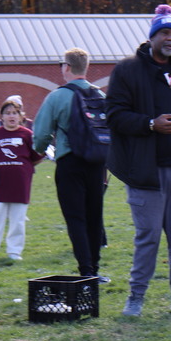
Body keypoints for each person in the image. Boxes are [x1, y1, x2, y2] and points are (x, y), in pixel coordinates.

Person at [105, 4, 171, 318]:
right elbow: (114, 116)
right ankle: (135, 299)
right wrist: (150, 124)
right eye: (164, 32)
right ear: (152, 36)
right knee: (148, 237)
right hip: (145, 172)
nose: (170, 38)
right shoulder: (127, 70)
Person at [33, 47, 109, 283]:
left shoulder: (57, 96)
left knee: (76, 217)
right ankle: (95, 269)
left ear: (66, 67)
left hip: (69, 162)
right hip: (98, 163)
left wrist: (42, 148)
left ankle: (85, 271)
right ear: (86, 68)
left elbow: (41, 136)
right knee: (95, 216)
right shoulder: (101, 96)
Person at [0, 98, 43, 260]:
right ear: (1, 117)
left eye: (15, 113)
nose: (11, 116)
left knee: (18, 220)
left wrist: (24, 168)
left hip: (20, 185)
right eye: (7, 113)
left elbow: (37, 157)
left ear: (21, 116)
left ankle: (14, 251)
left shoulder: (27, 134)